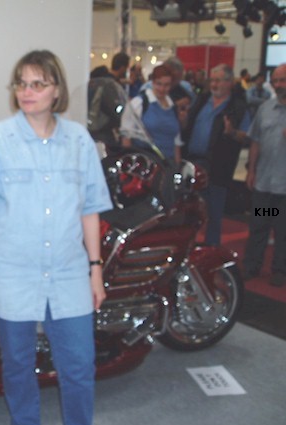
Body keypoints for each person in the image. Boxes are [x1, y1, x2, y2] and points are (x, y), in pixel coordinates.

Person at [0, 50, 112, 425]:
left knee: (79, 365)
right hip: (12, 273)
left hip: (69, 272)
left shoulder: (79, 141)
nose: (27, 91)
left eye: (38, 84)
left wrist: (95, 269)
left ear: (57, 90)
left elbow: (90, 209)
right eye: (21, 83)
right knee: (18, 362)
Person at [183, 64, 251, 245]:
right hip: (192, 163)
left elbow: (247, 137)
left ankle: (211, 250)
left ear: (229, 82)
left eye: (218, 80)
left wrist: (232, 132)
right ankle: (188, 249)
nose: (214, 84)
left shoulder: (238, 108)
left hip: (218, 167)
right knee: (188, 213)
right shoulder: (201, 101)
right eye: (212, 80)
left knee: (214, 214)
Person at [243, 63, 286, 287]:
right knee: (259, 225)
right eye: (276, 81)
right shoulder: (265, 108)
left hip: (284, 188)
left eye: (283, 80)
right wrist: (251, 170)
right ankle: (252, 266)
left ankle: (280, 270)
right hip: (264, 183)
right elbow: (255, 141)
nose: (279, 85)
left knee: (283, 230)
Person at [120, 65, 182, 164]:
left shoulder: (173, 106)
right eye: (159, 84)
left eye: (166, 85)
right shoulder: (139, 103)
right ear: (152, 82)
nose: (162, 89)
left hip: (169, 164)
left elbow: (176, 141)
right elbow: (126, 136)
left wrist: (177, 165)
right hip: (145, 163)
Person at [87, 52, 130, 152]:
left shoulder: (100, 81)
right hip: (103, 130)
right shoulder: (109, 85)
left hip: (93, 127)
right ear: (123, 67)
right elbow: (115, 109)